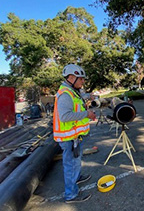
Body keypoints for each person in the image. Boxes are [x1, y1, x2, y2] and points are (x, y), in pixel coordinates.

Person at [53, 64, 96, 203]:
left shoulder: (72, 91)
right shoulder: (65, 94)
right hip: (68, 138)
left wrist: (89, 95)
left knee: (76, 161)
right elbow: (64, 116)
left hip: (74, 137)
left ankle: (76, 178)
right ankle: (71, 195)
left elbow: (78, 97)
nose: (83, 81)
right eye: (81, 79)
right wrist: (86, 114)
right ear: (71, 77)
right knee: (70, 165)